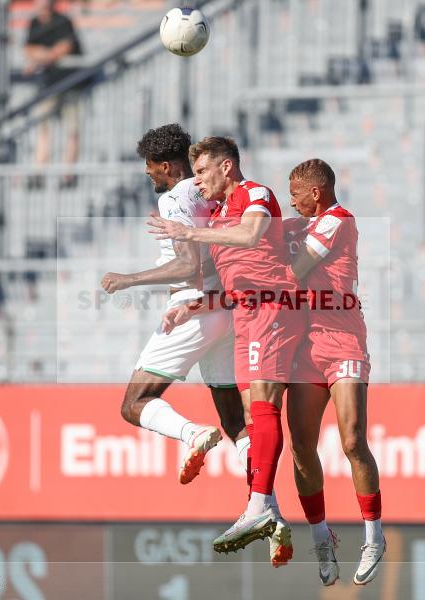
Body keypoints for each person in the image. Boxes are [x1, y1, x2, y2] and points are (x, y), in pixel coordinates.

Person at [149, 137, 302, 567]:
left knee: (264, 409)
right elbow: (233, 287)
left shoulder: (256, 194)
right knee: (253, 416)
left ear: (227, 167)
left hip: (273, 309)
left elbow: (253, 234)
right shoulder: (216, 219)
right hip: (246, 316)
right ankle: (268, 509)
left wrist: (188, 231)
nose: (197, 182)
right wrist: (191, 308)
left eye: (202, 172)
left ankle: (260, 507)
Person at [99, 124, 246, 486]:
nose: (147, 173)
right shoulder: (211, 192)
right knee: (235, 422)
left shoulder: (174, 198)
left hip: (191, 312)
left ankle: (191, 434)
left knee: (134, 404)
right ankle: (265, 505)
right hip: (224, 311)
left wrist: (128, 279)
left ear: (165, 165)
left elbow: (187, 265)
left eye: (149, 166)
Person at [285, 159, 385, 586]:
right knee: (302, 445)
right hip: (308, 346)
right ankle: (320, 534)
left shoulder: (338, 221)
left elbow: (293, 272)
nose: (290, 200)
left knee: (351, 439)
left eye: (294, 193)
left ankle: (374, 536)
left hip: (343, 340)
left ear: (316, 193)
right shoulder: (303, 226)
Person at [24, 0, 82, 183]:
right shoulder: (34, 23)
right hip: (49, 86)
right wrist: (45, 55)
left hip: (70, 84)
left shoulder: (63, 21)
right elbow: (29, 49)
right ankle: (39, 171)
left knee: (72, 130)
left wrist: (44, 57)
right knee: (43, 127)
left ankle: (68, 174)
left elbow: (65, 47)